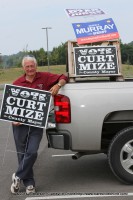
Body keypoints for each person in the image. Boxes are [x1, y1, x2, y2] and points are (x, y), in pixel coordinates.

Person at [10, 55, 68, 194]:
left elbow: (64, 76)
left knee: (32, 152)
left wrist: (58, 85)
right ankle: (29, 183)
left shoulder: (45, 77)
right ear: (23, 68)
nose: (30, 69)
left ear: (36, 66)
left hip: (36, 123)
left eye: (32, 66)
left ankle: (17, 175)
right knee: (22, 154)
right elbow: (10, 105)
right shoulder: (17, 83)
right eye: (27, 66)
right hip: (20, 124)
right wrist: (13, 119)